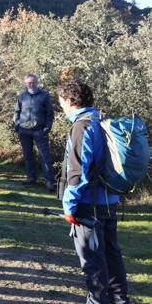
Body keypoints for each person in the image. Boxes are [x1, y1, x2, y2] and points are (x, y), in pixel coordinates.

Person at [57, 78, 129, 304]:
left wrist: (69, 207)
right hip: (110, 199)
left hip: (90, 204)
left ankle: (97, 301)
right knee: (111, 253)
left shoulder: (81, 126)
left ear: (70, 100)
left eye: (61, 102)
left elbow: (78, 173)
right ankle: (120, 300)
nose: (61, 106)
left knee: (92, 257)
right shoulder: (102, 119)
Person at [14, 73, 55, 191]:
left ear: (37, 82)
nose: (31, 84)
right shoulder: (21, 96)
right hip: (24, 130)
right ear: (25, 83)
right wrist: (16, 125)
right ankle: (31, 178)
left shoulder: (44, 95)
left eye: (33, 82)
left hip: (39, 130)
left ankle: (49, 181)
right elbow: (16, 111)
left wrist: (47, 128)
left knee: (45, 156)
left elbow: (50, 113)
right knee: (28, 156)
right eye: (29, 83)